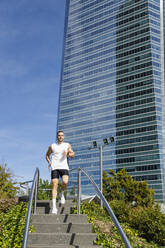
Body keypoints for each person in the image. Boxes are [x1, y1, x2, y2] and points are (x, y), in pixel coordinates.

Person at [46, 130, 74, 214]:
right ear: (57, 136)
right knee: (54, 184)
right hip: (55, 167)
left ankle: (62, 193)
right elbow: (47, 155)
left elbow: (72, 154)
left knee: (65, 182)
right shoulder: (52, 146)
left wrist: (68, 154)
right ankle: (54, 207)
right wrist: (49, 162)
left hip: (64, 167)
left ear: (63, 137)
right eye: (59, 135)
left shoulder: (67, 145)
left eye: (62, 135)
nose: (60, 136)